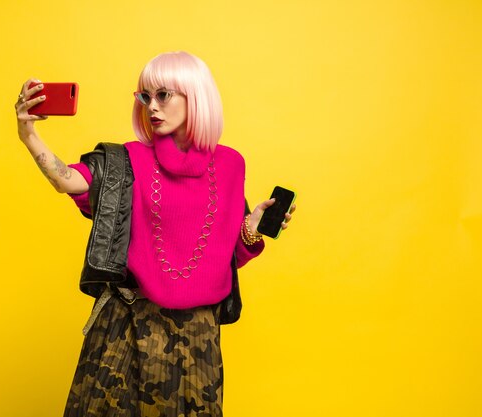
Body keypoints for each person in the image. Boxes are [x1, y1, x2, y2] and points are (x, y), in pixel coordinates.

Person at [15, 51, 296, 417]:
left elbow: (222, 258)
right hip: (128, 326)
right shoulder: (127, 160)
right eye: (145, 96)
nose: (152, 107)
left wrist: (250, 229)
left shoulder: (230, 165)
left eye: (163, 95)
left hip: (198, 339)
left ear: (195, 96)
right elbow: (66, 180)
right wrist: (28, 134)